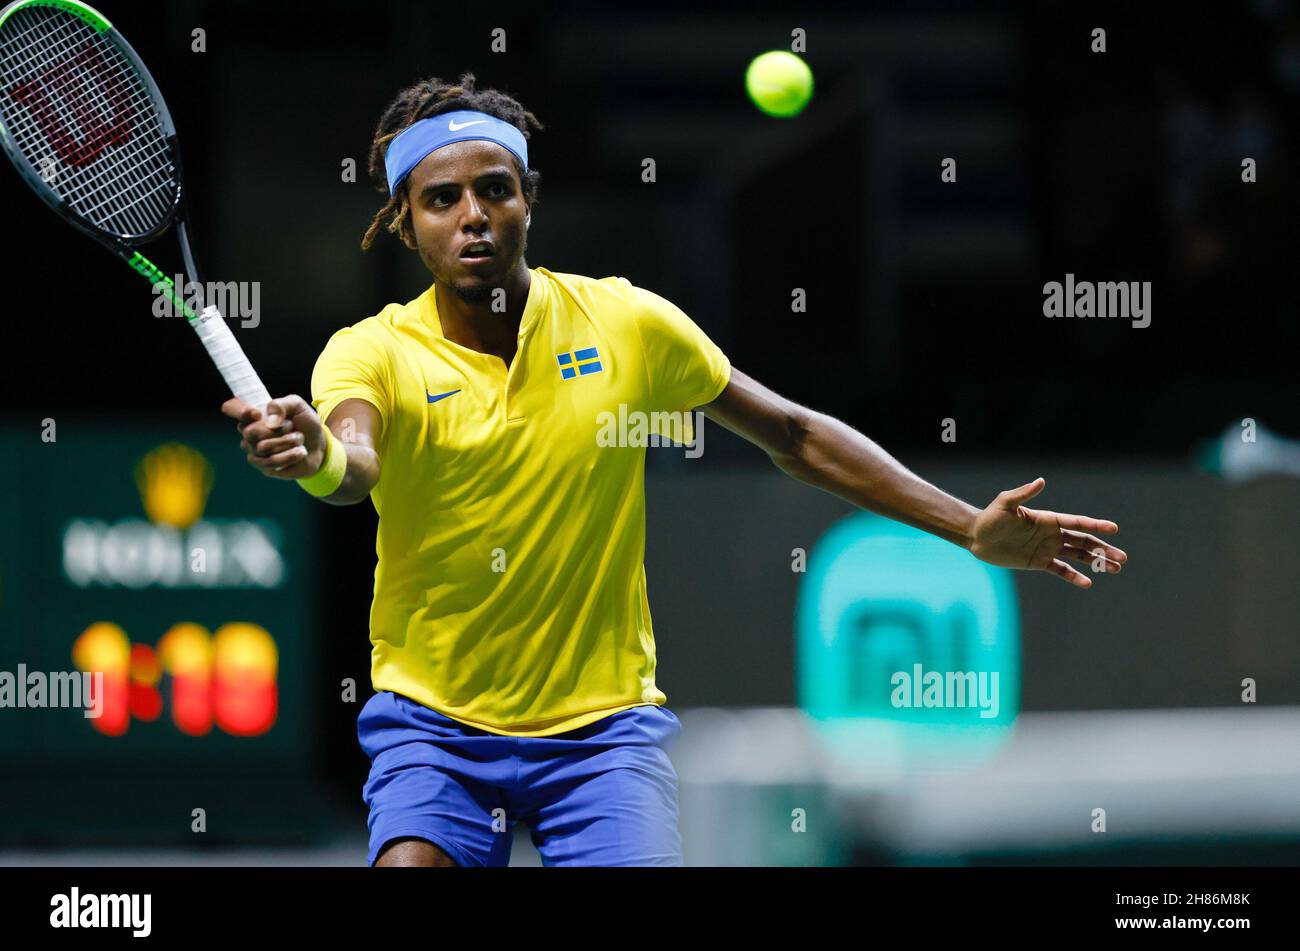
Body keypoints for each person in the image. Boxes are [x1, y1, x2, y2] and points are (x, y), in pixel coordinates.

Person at [222, 73, 1127, 867]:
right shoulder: (369, 352)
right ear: (404, 224)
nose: (472, 217)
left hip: (602, 735)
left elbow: (797, 434)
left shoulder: (627, 324)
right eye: (441, 199)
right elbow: (353, 461)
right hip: (436, 727)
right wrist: (316, 457)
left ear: (529, 200)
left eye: (494, 190)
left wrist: (969, 527)